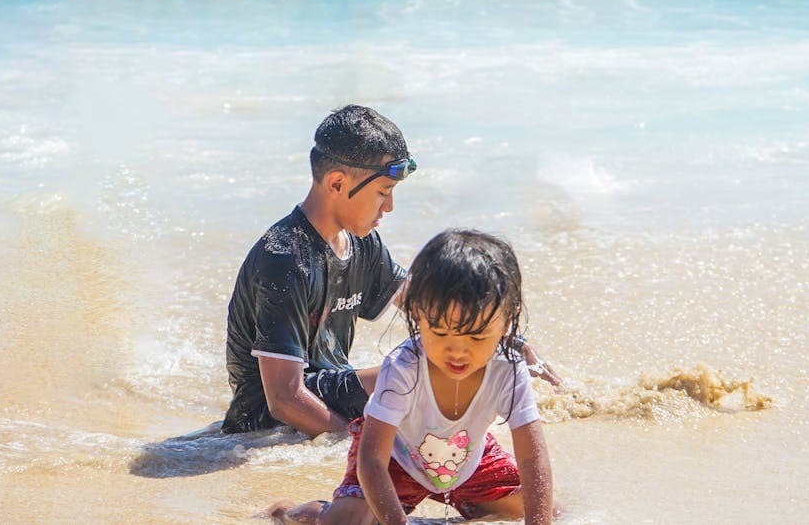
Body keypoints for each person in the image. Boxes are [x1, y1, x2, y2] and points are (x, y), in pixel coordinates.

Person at [221, 105, 560, 437]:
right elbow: (283, 400)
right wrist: (354, 442)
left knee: (450, 355)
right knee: (416, 368)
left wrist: (509, 344)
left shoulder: (361, 243)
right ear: (337, 183)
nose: (389, 206)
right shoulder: (284, 259)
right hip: (265, 420)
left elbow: (429, 306)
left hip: (333, 393)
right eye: (383, 192)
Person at [268, 229, 557, 524]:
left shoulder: (508, 369)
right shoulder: (403, 367)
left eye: (476, 337)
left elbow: (533, 460)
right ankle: (299, 512)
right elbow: (372, 461)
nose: (458, 352)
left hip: (465, 457)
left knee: (546, 509)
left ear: (508, 322)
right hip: (394, 459)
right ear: (417, 313)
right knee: (346, 522)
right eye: (441, 333)